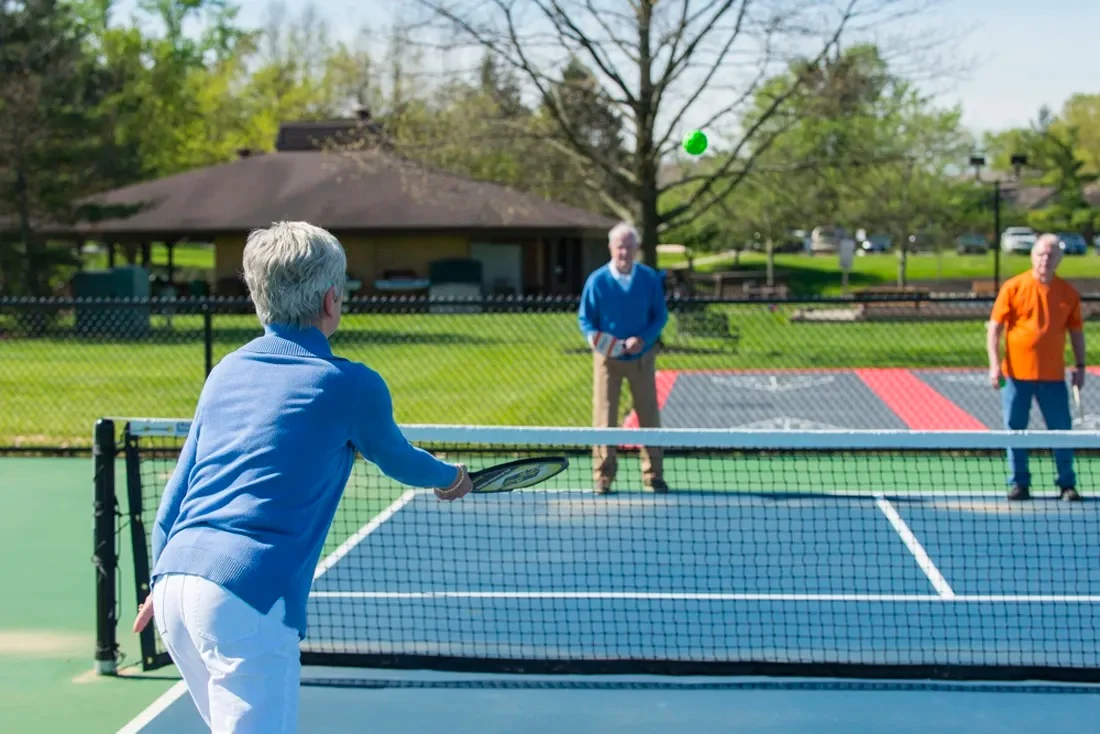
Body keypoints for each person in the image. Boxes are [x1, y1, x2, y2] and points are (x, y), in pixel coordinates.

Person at [130, 221, 472, 732]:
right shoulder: (351, 383)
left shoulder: (224, 371)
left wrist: (164, 579)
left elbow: (176, 494)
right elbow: (397, 457)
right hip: (246, 597)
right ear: (332, 299)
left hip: (176, 585)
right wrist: (450, 478)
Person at [987, 232, 1086, 501]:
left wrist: (1080, 365)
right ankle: (1019, 483)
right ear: (1033, 256)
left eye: (1051, 254)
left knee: (1061, 430)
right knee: (1015, 429)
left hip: (1053, 377)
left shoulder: (1068, 293)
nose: (1046, 259)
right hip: (1016, 375)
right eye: (1041, 253)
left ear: (1059, 259)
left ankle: (1066, 483)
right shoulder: (1014, 287)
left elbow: (1076, 332)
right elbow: (995, 329)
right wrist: (995, 365)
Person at [578, 222, 669, 494]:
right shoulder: (596, 281)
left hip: (642, 360)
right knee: (604, 417)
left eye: (629, 247)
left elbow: (659, 316)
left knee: (649, 416)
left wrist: (643, 338)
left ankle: (654, 475)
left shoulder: (649, 279)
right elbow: (586, 321)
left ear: (637, 249)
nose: (624, 252)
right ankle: (603, 476)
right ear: (611, 248)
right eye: (620, 247)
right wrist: (601, 341)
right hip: (607, 361)